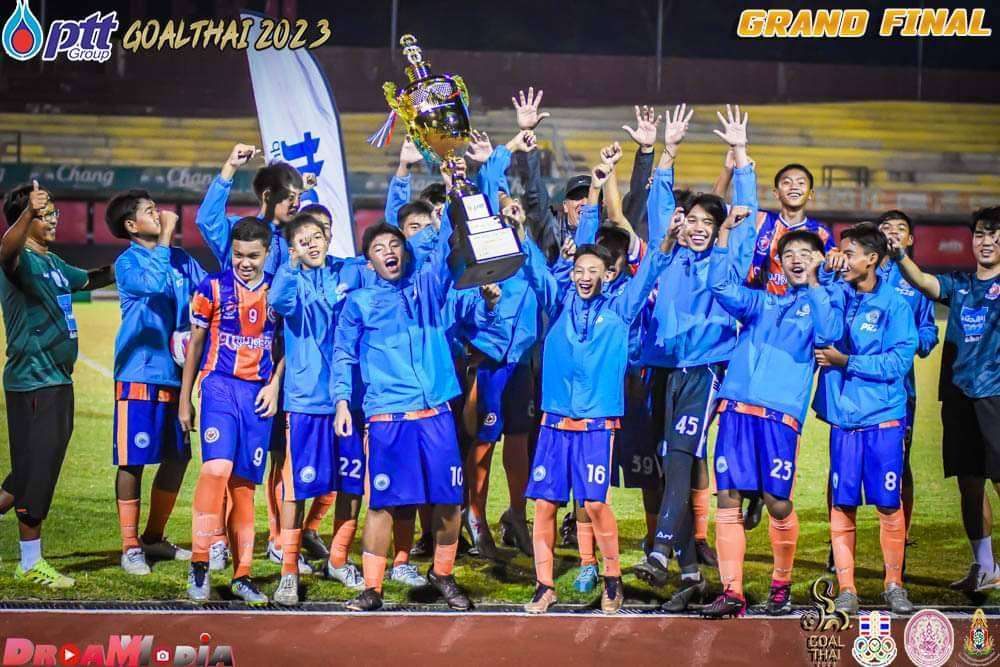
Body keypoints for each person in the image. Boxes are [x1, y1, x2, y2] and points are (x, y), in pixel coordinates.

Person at [519, 191, 674, 615]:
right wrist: (519, 231)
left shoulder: (621, 309)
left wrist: (663, 244)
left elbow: (649, 274)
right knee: (545, 505)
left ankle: (612, 578)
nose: (585, 277)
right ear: (571, 273)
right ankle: (544, 585)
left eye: (594, 271)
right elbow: (534, 270)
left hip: (596, 425)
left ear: (607, 275)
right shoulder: (557, 302)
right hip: (554, 422)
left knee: (594, 503)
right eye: (579, 270)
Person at [632, 105, 758, 611]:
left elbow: (745, 213)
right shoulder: (670, 253)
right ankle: (688, 571)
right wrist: (668, 150)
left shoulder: (730, 257)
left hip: (705, 370)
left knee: (681, 455)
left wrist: (741, 155)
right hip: (665, 368)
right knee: (670, 463)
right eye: (693, 221)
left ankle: (660, 552)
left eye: (710, 221)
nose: (699, 228)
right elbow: (660, 205)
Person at [700, 224, 840, 618]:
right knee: (727, 499)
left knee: (777, 503)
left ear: (820, 260)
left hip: (779, 419)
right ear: (779, 263)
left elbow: (830, 333)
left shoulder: (823, 304)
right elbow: (721, 287)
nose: (797, 260)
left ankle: (781, 584)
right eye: (789, 254)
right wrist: (723, 239)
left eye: (806, 254)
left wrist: (817, 283)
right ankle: (732, 591)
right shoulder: (762, 302)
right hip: (736, 412)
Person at [333, 218, 470, 612]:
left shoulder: (427, 285)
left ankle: (442, 573)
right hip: (387, 417)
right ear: (369, 262)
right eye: (379, 249)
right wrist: (342, 401)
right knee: (382, 504)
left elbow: (446, 247)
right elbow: (342, 353)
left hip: (435, 412)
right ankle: (372, 588)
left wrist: (454, 198)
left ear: (405, 252)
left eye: (394, 245)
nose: (388, 252)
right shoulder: (359, 302)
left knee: (449, 500)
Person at [0, 181, 114, 588]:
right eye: (44, 215)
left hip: (57, 380)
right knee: (37, 473)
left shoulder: (51, 261)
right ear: (26, 218)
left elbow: (90, 279)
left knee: (31, 468)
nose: (52, 220)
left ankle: (29, 555)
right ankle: (30, 562)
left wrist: (135, 259)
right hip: (34, 381)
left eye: (53, 213)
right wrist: (27, 212)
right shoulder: (19, 260)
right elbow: (5, 251)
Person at [893, 206, 1000, 593]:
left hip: (996, 395)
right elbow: (924, 282)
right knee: (969, 484)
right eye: (980, 234)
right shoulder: (961, 284)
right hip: (957, 395)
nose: (986, 241)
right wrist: (899, 255)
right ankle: (985, 567)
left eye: (995, 235)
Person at [814, 222, 918, 615]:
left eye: (849, 253)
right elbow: (818, 329)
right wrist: (826, 278)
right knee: (842, 505)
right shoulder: (836, 294)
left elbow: (898, 362)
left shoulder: (895, 305)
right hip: (844, 418)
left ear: (872, 259)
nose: (842, 260)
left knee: (889, 504)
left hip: (884, 417)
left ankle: (894, 585)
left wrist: (847, 361)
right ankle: (847, 589)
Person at [180, 217, 282, 605]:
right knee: (216, 470)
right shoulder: (212, 287)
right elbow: (195, 343)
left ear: (267, 253)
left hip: (258, 396)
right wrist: (185, 398)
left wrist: (275, 385)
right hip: (219, 386)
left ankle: (242, 575)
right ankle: (200, 562)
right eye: (239, 254)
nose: (245, 262)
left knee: (243, 487)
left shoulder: (278, 290)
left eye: (253, 255)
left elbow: (288, 345)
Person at [267, 213, 367, 605]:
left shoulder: (348, 272)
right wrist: (290, 267)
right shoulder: (291, 280)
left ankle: (338, 559)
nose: (311, 243)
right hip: (307, 401)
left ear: (329, 238)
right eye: (302, 239)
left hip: (351, 399)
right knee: (297, 488)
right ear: (292, 248)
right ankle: (289, 570)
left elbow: (385, 256)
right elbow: (278, 302)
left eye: (317, 236)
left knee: (352, 483)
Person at [105, 189, 206, 575]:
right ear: (132, 225)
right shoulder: (127, 263)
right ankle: (130, 546)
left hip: (177, 375)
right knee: (133, 460)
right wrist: (165, 238)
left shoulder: (182, 259)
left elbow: (207, 291)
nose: (160, 214)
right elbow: (152, 282)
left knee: (178, 457)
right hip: (139, 374)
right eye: (150, 211)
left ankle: (153, 537)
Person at [875, 210, 939, 545]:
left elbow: (928, 332)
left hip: (900, 387)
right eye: (886, 227)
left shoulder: (916, 282)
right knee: (845, 461)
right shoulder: (861, 270)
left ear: (910, 239)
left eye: (900, 228)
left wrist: (909, 342)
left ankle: (902, 535)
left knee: (900, 461)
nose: (892, 233)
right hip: (855, 386)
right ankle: (837, 540)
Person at [715, 155, 834, 297]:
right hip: (757, 303)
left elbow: (829, 274)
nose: (794, 187)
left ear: (810, 194)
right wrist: (727, 170)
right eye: (787, 182)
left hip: (800, 307)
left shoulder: (821, 234)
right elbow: (714, 210)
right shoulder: (758, 219)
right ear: (776, 193)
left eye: (801, 183)